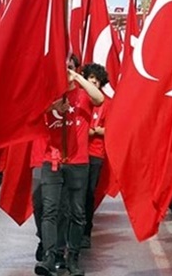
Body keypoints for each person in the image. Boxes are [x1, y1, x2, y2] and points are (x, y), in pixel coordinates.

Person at [35, 56, 104, 276]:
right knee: (50, 211)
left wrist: (76, 77)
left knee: (77, 213)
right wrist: (53, 106)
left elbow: (99, 98)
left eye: (70, 67)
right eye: (62, 67)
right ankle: (50, 257)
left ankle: (72, 258)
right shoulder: (49, 93)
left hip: (78, 163)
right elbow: (32, 113)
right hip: (52, 160)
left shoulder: (83, 94)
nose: (65, 70)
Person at [81, 63, 110, 249]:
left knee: (89, 193)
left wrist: (99, 131)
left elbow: (113, 128)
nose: (93, 82)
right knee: (76, 193)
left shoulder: (106, 103)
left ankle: (86, 231)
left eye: (97, 80)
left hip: (95, 154)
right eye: (91, 78)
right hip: (78, 153)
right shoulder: (79, 98)